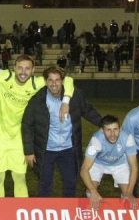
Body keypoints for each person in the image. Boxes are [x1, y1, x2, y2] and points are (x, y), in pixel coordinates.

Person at [0, 49, 74, 197]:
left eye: (27, 68)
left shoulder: (36, 83)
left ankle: (20, 215)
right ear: (14, 68)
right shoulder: (3, 77)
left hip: (18, 138)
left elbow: (68, 80)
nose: (23, 72)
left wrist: (65, 101)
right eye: (20, 67)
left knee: (20, 178)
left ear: (33, 70)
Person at [22, 66, 102, 197]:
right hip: (46, 149)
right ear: (46, 81)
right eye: (50, 80)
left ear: (63, 81)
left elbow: (88, 111)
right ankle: (45, 212)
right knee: (45, 183)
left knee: (70, 182)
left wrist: (103, 124)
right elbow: (27, 125)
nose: (54, 84)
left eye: (57, 80)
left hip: (68, 149)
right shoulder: (37, 100)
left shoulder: (74, 96)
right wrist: (29, 151)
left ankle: (68, 212)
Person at [79, 115, 138, 210]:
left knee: (128, 195)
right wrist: (93, 192)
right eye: (108, 130)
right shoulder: (96, 140)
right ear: (102, 130)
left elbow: (134, 167)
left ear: (120, 129)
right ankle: (92, 216)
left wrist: (130, 193)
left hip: (120, 164)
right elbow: (84, 169)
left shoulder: (128, 138)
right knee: (90, 193)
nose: (112, 134)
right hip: (98, 163)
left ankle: (125, 217)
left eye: (115, 129)